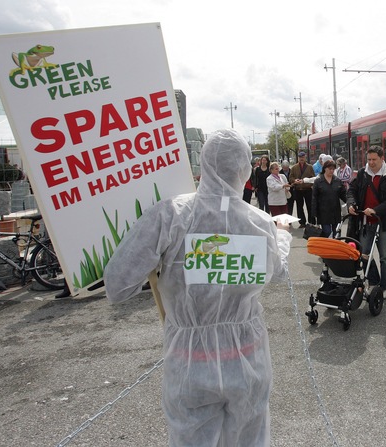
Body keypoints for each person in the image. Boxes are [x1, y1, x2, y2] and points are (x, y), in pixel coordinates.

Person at [104, 129, 291, 447]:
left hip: (190, 362)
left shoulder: (170, 215)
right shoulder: (260, 222)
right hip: (248, 360)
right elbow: (279, 272)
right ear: (245, 170)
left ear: (203, 163)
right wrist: (283, 235)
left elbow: (117, 285)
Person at [347, 145, 386, 298]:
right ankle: (374, 281)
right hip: (365, 223)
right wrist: (351, 204)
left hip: (382, 223)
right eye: (368, 159)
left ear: (382, 159)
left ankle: (385, 287)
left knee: (385, 257)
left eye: (374, 160)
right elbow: (352, 190)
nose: (371, 162)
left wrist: (376, 210)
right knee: (363, 254)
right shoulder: (363, 174)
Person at [312, 159, 347, 237]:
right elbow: (314, 198)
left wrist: (351, 203)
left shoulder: (337, 181)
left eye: (333, 169)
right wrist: (314, 213)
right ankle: (326, 246)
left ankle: (335, 248)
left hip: (335, 212)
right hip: (323, 212)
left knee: (337, 233)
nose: (331, 171)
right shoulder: (318, 181)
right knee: (327, 231)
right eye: (329, 169)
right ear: (324, 168)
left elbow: (344, 195)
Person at [289, 151, 316, 228]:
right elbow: (291, 177)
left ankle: (311, 222)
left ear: (305, 158)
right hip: (298, 190)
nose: (301, 159)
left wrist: (308, 183)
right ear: (298, 158)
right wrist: (295, 181)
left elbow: (313, 178)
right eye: (300, 157)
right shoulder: (294, 167)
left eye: (303, 157)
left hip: (307, 189)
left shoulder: (310, 167)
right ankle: (302, 222)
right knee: (299, 207)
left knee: (310, 206)